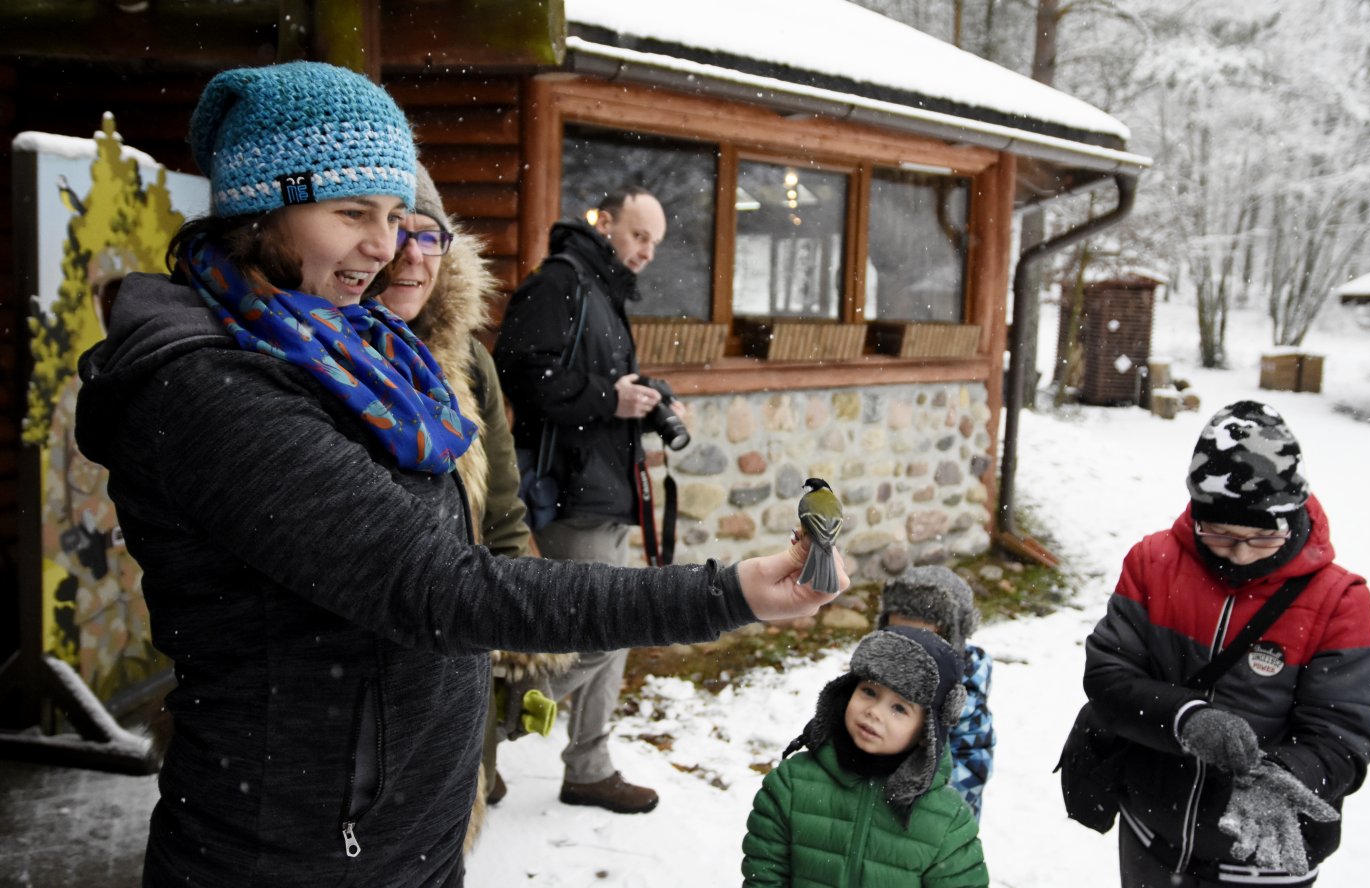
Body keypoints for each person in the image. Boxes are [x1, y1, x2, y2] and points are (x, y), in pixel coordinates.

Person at [73, 61, 846, 888]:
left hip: (405, 833)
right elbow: (438, 587)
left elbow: (470, 541)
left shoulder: (359, 353)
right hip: (297, 854)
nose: (387, 244)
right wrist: (724, 592)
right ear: (264, 212)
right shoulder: (212, 392)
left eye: (397, 215)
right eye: (352, 214)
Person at [1081, 400, 1370, 887]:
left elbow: (1344, 736)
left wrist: (1285, 777)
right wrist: (1185, 718)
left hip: (1264, 860)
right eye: (1218, 532)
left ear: (1292, 514)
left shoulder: (1340, 600)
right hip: (1152, 834)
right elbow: (1108, 677)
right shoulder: (1152, 562)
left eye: (1260, 537)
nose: (1239, 553)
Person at [378, 163, 574, 830]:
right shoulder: (306, 355)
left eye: (428, 235)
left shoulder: (467, 360)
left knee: (454, 810)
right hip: (352, 668)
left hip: (458, 639)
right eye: (393, 229)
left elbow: (502, 513)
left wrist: (516, 642)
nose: (410, 254)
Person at [492, 184, 677, 813]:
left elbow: (591, 383)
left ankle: (589, 767)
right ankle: (487, 728)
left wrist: (644, 401)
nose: (647, 251)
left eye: (655, 241)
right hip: (570, 494)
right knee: (590, 633)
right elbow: (519, 370)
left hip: (607, 489)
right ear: (605, 224)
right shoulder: (560, 283)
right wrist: (609, 398)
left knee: (613, 633)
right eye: (638, 235)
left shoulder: (602, 291)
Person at [741, 626, 988, 887]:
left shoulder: (947, 821)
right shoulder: (791, 785)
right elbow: (764, 876)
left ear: (926, 732)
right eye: (869, 691)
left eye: (899, 708)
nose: (874, 712)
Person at [879, 565, 996, 821]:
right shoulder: (875, 683)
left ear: (951, 640)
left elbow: (972, 769)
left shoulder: (964, 697)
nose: (908, 650)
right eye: (896, 636)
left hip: (932, 829)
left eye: (922, 640)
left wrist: (918, 801)